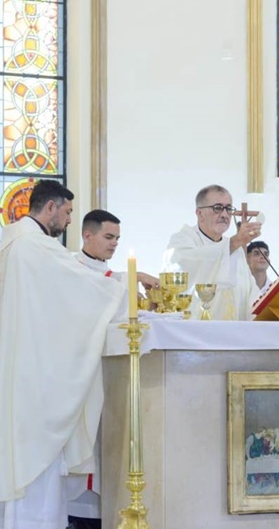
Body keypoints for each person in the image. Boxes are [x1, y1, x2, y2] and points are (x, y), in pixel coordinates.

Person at [0, 180, 126, 527]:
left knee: (10, 459)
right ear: (51, 208)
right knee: (32, 466)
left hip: (15, 375)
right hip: (30, 383)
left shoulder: (13, 246)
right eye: (67, 212)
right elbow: (82, 293)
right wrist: (122, 291)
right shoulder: (36, 248)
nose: (68, 220)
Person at [66, 209, 158, 529]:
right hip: (81, 375)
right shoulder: (71, 269)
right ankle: (79, 516)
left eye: (118, 239)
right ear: (87, 235)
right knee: (84, 446)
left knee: (106, 446)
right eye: (108, 237)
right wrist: (132, 278)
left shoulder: (112, 278)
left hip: (111, 376)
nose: (114, 244)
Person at [162, 185, 261, 320]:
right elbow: (189, 265)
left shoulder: (235, 249)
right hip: (196, 334)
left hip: (235, 335)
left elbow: (250, 292)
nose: (225, 214)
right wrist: (235, 242)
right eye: (218, 208)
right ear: (200, 213)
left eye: (228, 208)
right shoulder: (182, 240)